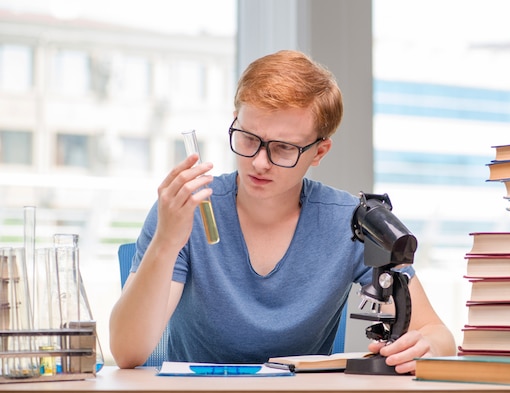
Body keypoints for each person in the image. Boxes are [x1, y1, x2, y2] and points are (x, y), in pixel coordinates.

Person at [109, 50, 455, 373]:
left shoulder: (349, 221)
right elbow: (127, 351)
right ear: (234, 121)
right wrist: (166, 243)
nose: (259, 162)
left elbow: (438, 334)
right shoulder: (188, 209)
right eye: (248, 139)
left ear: (319, 152)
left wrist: (424, 347)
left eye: (284, 148)